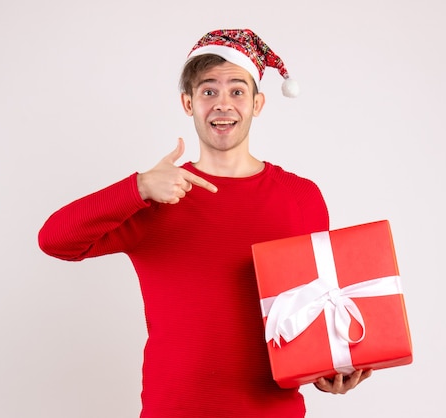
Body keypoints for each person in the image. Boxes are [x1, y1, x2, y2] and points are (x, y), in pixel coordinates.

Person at [38, 28, 371, 417]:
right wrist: (139, 187)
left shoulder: (301, 198)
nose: (222, 104)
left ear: (258, 103)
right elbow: (55, 240)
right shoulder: (156, 197)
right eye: (208, 91)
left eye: (237, 91)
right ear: (188, 102)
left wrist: (334, 365)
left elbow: (319, 308)